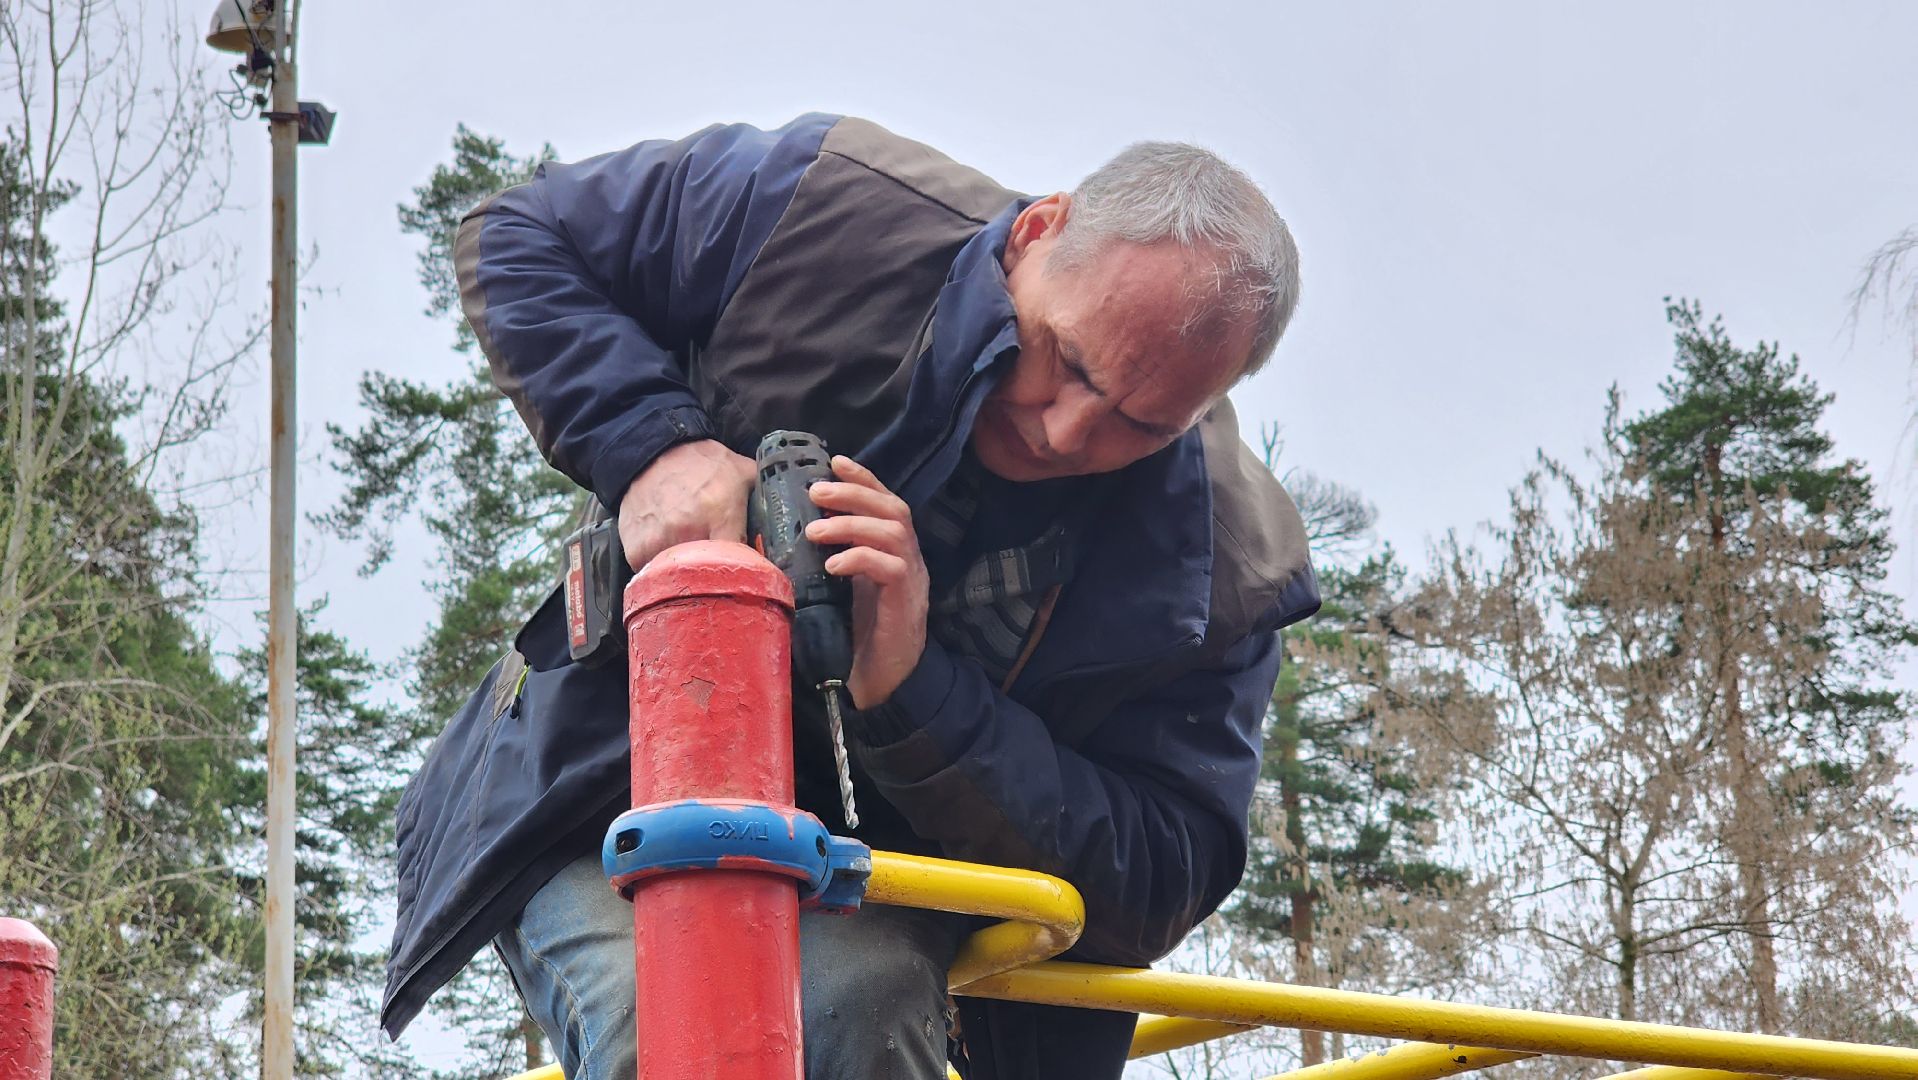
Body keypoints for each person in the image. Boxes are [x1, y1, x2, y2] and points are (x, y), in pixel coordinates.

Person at [381, 113, 1320, 1080]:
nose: (1065, 432)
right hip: (603, 793)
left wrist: (915, 692)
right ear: (1037, 233)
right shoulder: (814, 208)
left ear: (1206, 406)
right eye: (1066, 361)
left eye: (1142, 424)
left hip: (891, 893)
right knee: (667, 1021)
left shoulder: (1226, 573)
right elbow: (522, 233)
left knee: (856, 1004)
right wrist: (652, 445)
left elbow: (1162, 876)